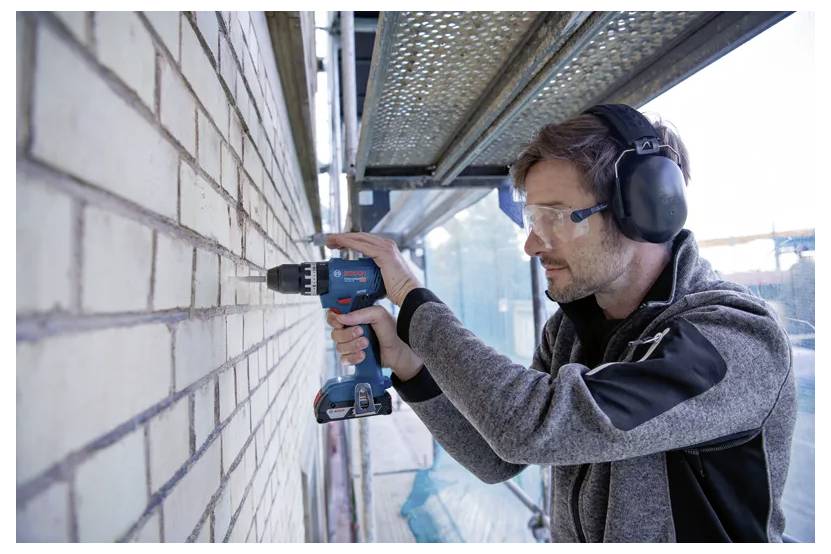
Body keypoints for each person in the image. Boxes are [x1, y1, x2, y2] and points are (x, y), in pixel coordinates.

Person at [324, 105, 796, 542]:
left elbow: (530, 426)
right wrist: (408, 363)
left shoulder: (733, 340)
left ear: (646, 208)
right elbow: (502, 455)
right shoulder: (569, 330)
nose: (532, 245)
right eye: (532, 218)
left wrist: (411, 298)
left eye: (553, 218)